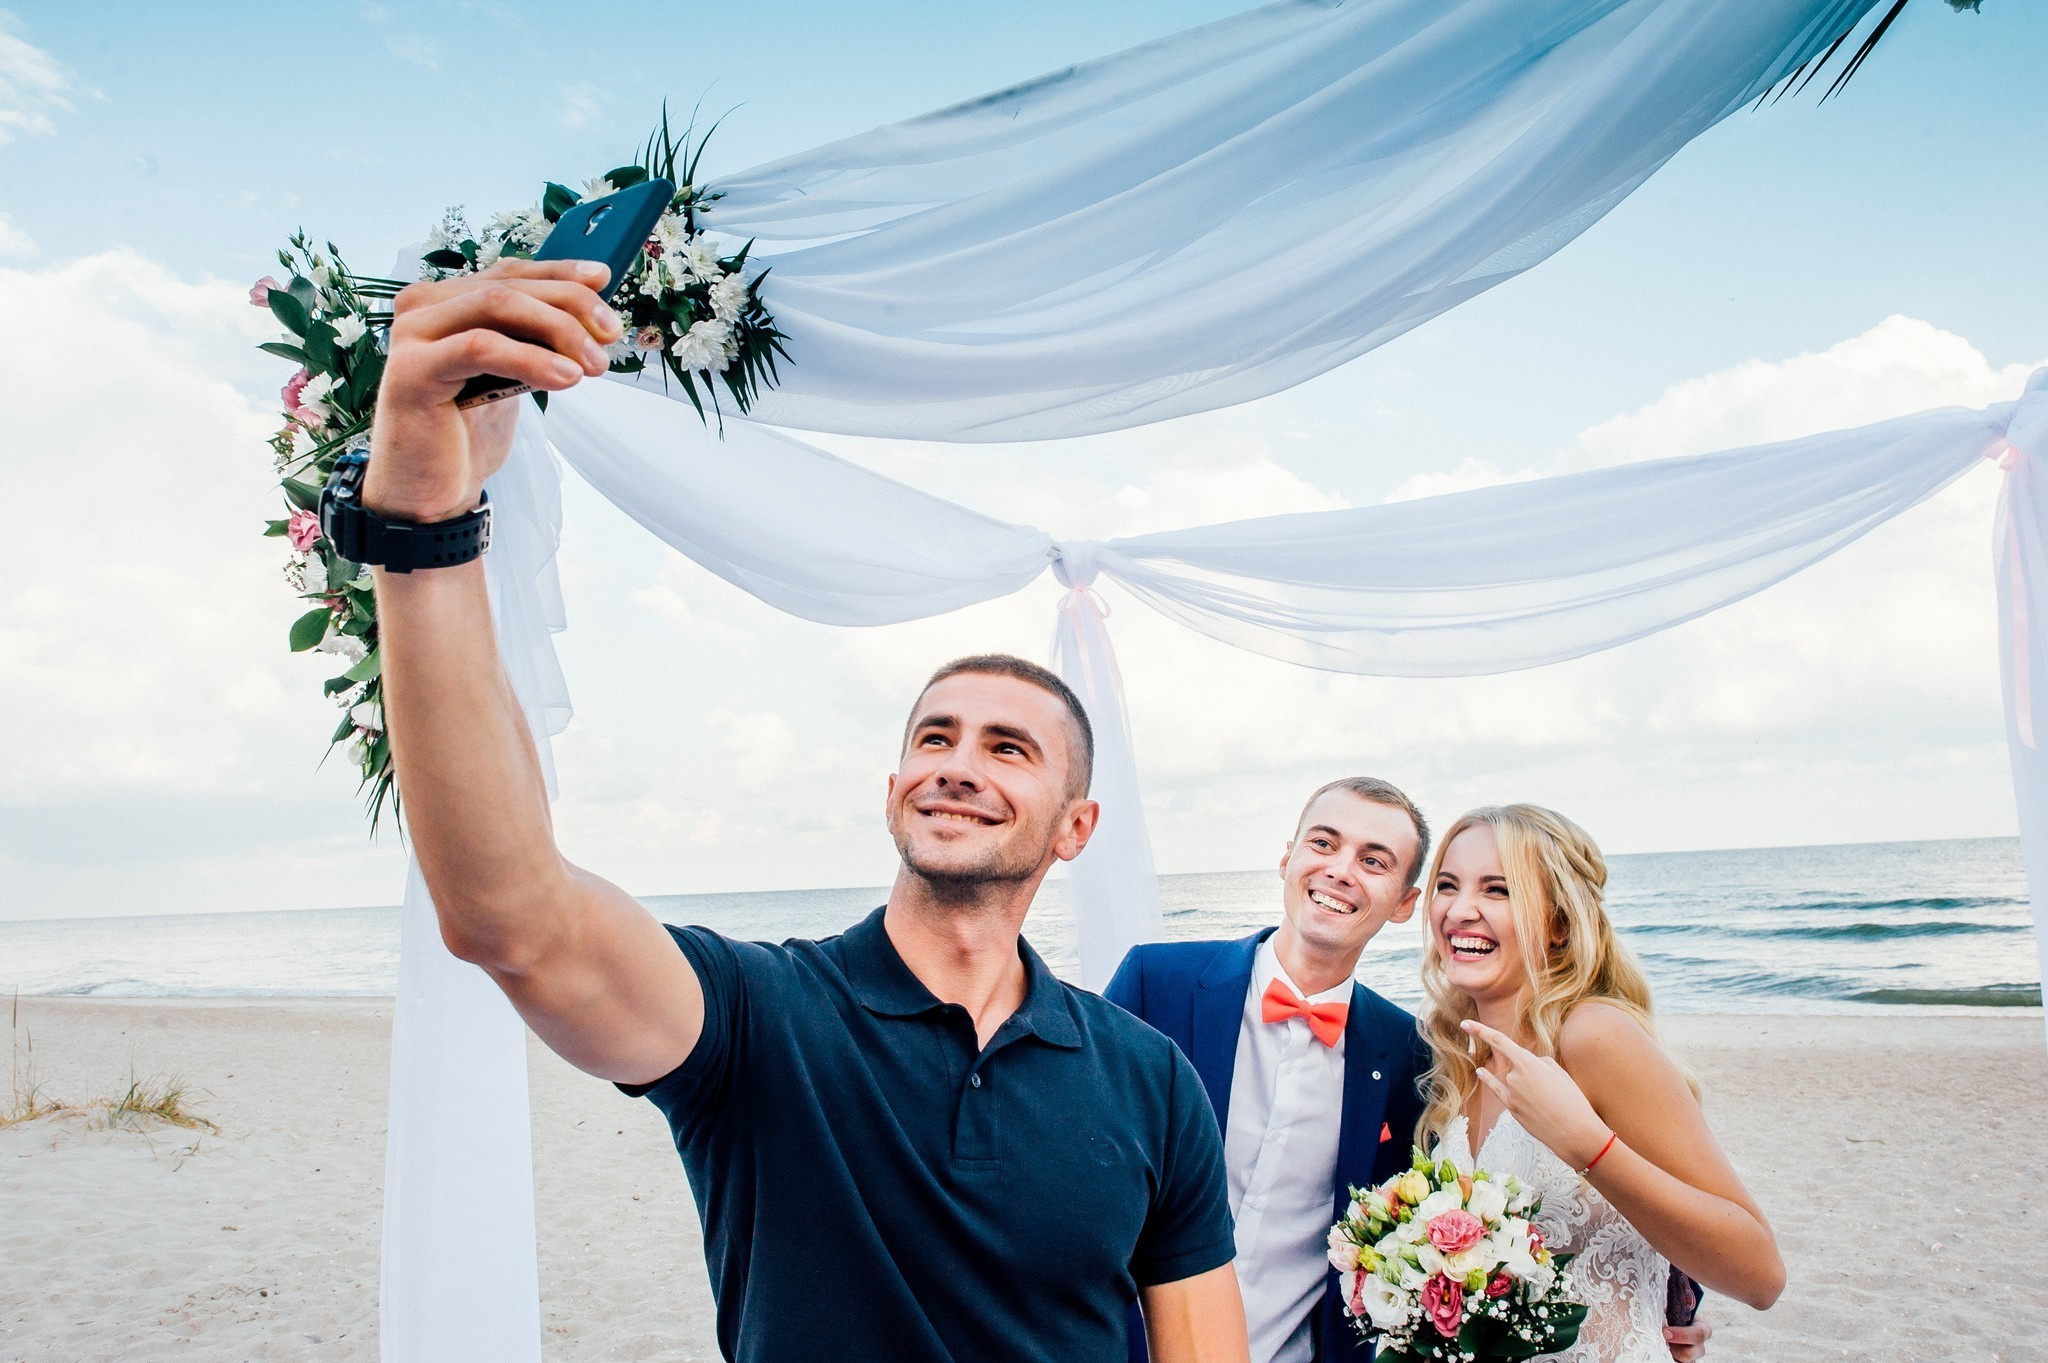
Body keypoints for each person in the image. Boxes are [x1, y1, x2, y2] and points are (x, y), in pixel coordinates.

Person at [362, 257, 1250, 1363]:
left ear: (1075, 827)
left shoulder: (1148, 1075)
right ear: (891, 793)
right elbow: (510, 916)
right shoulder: (756, 1017)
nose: (957, 764)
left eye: (1007, 748)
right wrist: (420, 518)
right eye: (934, 737)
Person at [1106, 780, 1715, 1363]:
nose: (1340, 869)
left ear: (1403, 904)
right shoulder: (1154, 985)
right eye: (1323, 843)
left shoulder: (1411, 1054)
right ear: (1288, 857)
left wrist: (1676, 1300)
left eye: (1374, 860)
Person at [1421, 805, 1783, 1363]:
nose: (1459, 910)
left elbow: (1761, 1275)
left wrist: (1588, 1146)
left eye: (1498, 890)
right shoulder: (1454, 1064)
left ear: (1561, 922)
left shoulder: (1594, 1037)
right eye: (1447, 885)